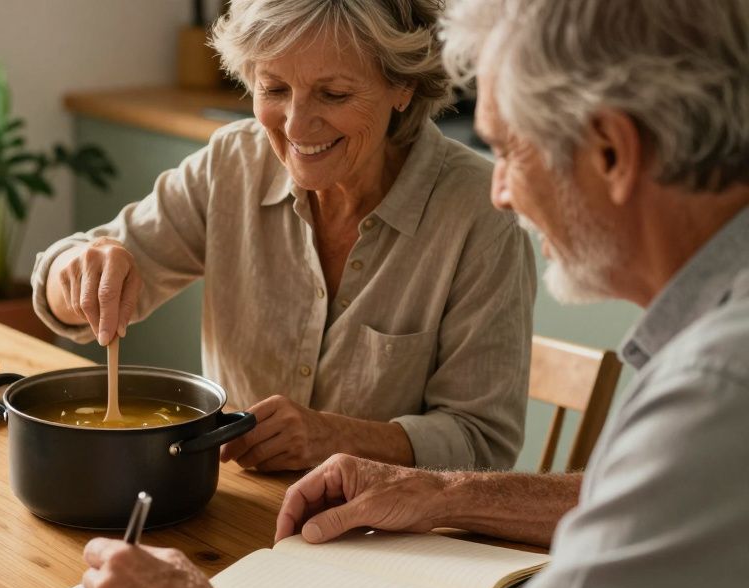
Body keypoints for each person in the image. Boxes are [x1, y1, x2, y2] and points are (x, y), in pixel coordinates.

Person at [81, 0, 749, 588]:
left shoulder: (717, 385)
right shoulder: (714, 353)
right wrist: (437, 491)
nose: (502, 192)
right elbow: (655, 504)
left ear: (612, 153)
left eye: (511, 150)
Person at [32, 0, 536, 472]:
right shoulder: (233, 163)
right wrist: (76, 272)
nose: (296, 124)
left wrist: (335, 437)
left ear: (402, 87)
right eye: (273, 89)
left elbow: (482, 445)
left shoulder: (481, 213)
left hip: (391, 539)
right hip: (238, 511)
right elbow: (69, 289)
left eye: (333, 94)